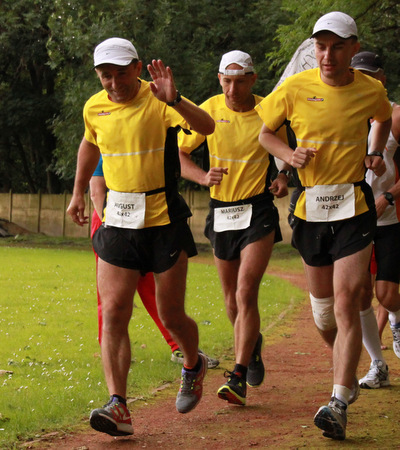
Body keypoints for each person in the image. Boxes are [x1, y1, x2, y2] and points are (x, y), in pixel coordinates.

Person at [66, 37, 215, 437]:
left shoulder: (158, 98)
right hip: (117, 222)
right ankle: (118, 405)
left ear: (136, 68)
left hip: (163, 222)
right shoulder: (93, 107)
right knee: (114, 311)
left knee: (171, 315)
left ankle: (193, 364)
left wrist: (175, 99)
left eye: (121, 74)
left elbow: (207, 127)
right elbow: (89, 145)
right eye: (105, 76)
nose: (114, 83)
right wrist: (78, 192)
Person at [257, 12, 392, 440]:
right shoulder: (295, 88)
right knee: (323, 315)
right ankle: (347, 371)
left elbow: (383, 118)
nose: (327, 55)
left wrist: (374, 151)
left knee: (347, 300)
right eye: (320, 47)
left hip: (353, 204)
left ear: (354, 49)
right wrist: (288, 155)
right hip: (311, 207)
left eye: (336, 47)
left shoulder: (370, 89)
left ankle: (337, 402)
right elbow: (265, 134)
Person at [178, 50, 288, 406]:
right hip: (222, 210)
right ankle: (252, 346)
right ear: (219, 79)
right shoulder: (207, 110)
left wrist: (284, 177)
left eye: (240, 82)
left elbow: (286, 153)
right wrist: (202, 176)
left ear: (253, 80)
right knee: (230, 299)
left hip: (258, 209)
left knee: (245, 291)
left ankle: (238, 376)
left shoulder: (269, 110)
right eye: (226, 81)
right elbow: (178, 155)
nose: (232, 89)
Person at [88, 157, 220, 369]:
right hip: (112, 225)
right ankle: (112, 350)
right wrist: (109, 226)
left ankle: (178, 346)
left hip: (145, 223)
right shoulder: (108, 144)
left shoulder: (145, 147)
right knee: (112, 297)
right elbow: (96, 190)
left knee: (151, 289)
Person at [349, 51, 400, 389]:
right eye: (358, 74)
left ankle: (397, 317)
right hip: (354, 219)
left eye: (371, 74)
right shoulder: (342, 114)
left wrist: (389, 196)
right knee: (361, 295)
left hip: (391, 217)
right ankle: (377, 365)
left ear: (382, 79)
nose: (365, 80)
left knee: (386, 294)